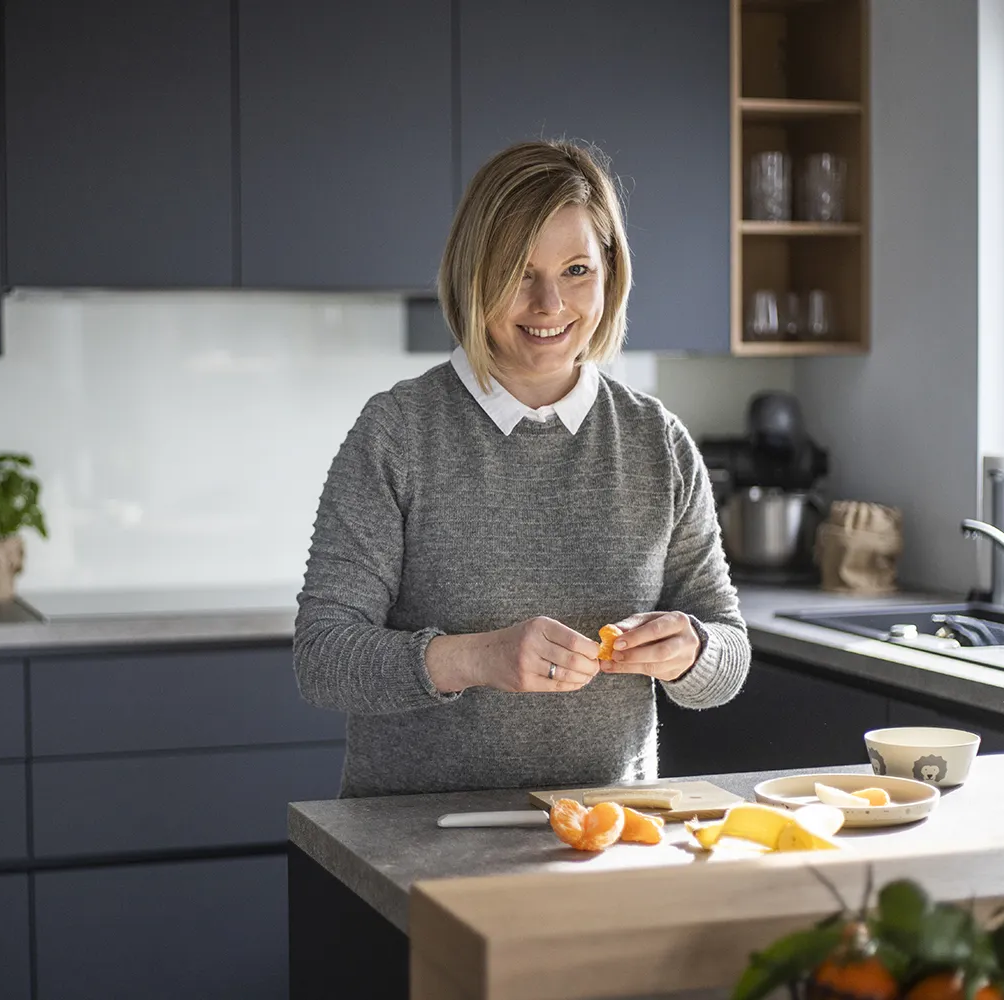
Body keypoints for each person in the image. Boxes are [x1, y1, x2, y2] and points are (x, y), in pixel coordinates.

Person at [293, 139, 750, 798]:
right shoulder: (396, 433)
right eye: (518, 271)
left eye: (575, 271)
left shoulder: (658, 443)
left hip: (604, 839)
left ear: (610, 272)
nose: (548, 305)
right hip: (416, 842)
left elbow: (729, 650)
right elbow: (323, 656)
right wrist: (476, 657)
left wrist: (693, 651)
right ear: (472, 274)